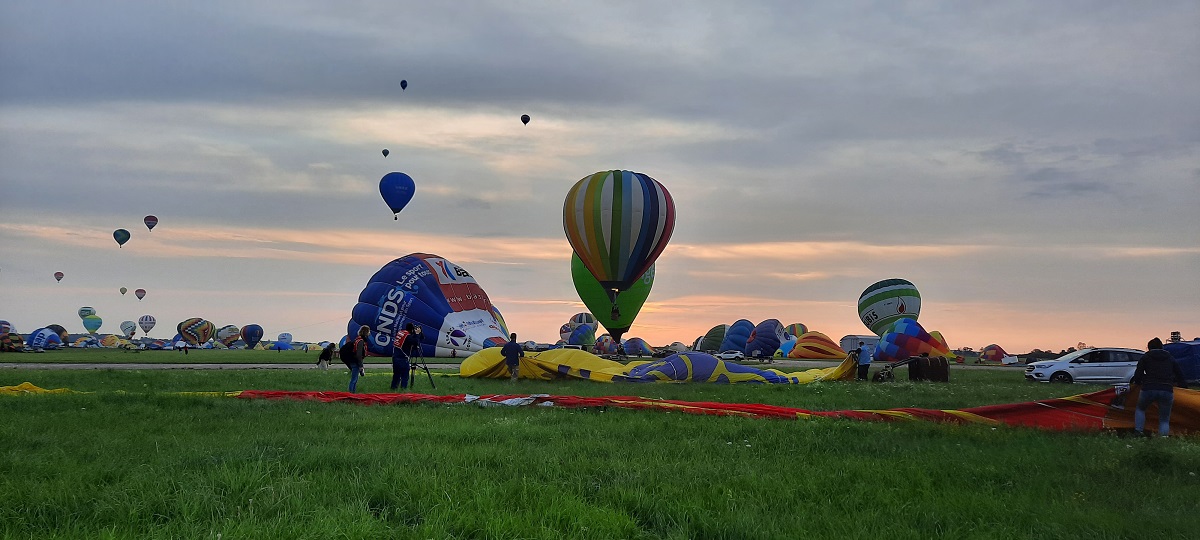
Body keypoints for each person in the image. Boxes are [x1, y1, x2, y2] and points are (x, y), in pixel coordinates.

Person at [1131, 337, 1188, 437]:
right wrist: (1184, 389)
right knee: (1164, 418)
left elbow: (1138, 375)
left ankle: (1138, 432)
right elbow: (1180, 376)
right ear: (1162, 347)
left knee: (1141, 409)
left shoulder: (1145, 357)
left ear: (1149, 348)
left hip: (1148, 388)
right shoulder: (1170, 358)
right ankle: (1163, 438)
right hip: (1166, 389)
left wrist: (1137, 382)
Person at [390, 323, 420, 391]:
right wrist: (417, 334)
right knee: (405, 375)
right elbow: (415, 342)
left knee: (396, 375)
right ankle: (403, 390)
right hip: (402, 358)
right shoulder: (408, 337)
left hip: (395, 357)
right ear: (412, 329)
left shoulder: (401, 333)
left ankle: (393, 388)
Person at [348, 326, 370, 393]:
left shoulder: (357, 339)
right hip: (356, 362)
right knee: (354, 379)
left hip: (354, 361)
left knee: (355, 379)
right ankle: (351, 393)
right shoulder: (361, 341)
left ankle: (353, 392)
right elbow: (359, 354)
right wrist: (360, 365)